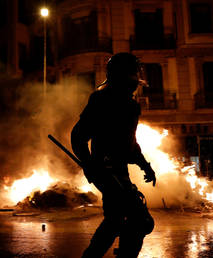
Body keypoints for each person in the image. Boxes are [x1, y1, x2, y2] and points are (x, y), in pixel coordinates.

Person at [71, 53, 156, 258]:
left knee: (119, 219)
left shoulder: (131, 105)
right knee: (135, 219)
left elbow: (130, 144)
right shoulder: (101, 99)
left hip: (119, 170)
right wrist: (90, 165)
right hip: (104, 170)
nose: (136, 78)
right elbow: (78, 136)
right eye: (132, 72)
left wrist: (145, 166)